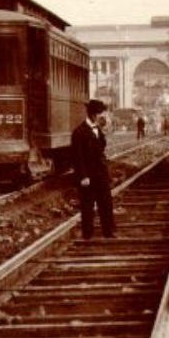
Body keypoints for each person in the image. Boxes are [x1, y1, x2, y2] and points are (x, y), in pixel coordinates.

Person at [72, 99, 115, 240]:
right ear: (93, 115)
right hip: (88, 176)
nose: (102, 117)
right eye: (100, 114)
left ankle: (108, 232)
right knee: (87, 206)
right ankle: (87, 235)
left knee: (106, 204)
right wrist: (83, 176)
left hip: (101, 174)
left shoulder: (98, 130)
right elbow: (77, 158)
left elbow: (101, 149)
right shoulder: (79, 132)